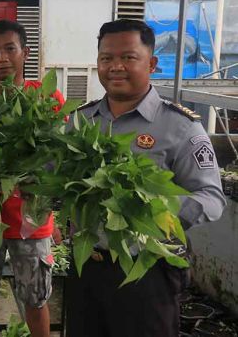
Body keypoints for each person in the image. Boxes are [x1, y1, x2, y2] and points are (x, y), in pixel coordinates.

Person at [65, 19, 226, 337]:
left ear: (151, 63)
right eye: (106, 58)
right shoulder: (80, 122)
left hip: (147, 272)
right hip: (88, 267)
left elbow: (212, 199)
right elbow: (56, 175)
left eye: (128, 57)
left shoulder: (179, 127)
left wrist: (152, 206)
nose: (115, 67)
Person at [0, 20, 64, 337]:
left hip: (32, 221)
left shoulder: (47, 98)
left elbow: (58, 161)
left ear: (25, 52)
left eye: (10, 49)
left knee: (35, 298)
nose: (2, 58)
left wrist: (58, 214)